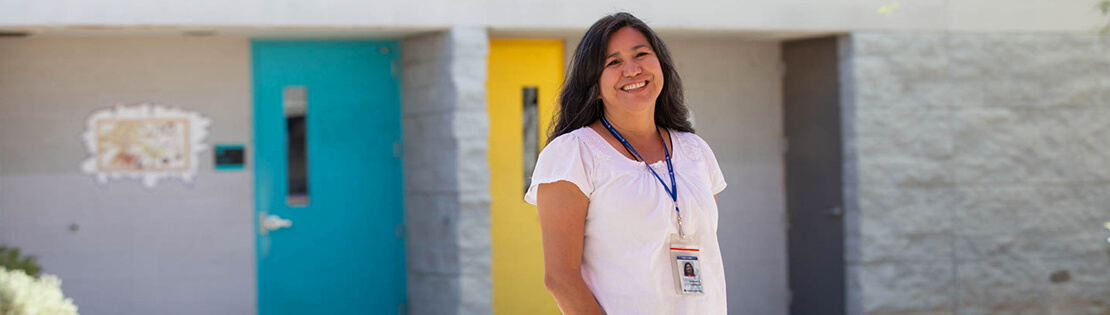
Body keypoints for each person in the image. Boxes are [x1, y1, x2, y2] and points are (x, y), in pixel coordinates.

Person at [523, 12, 728, 315]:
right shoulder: (572, 154)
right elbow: (561, 278)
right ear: (593, 81)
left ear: (661, 64)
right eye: (613, 62)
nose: (632, 70)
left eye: (641, 54)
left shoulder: (694, 150)